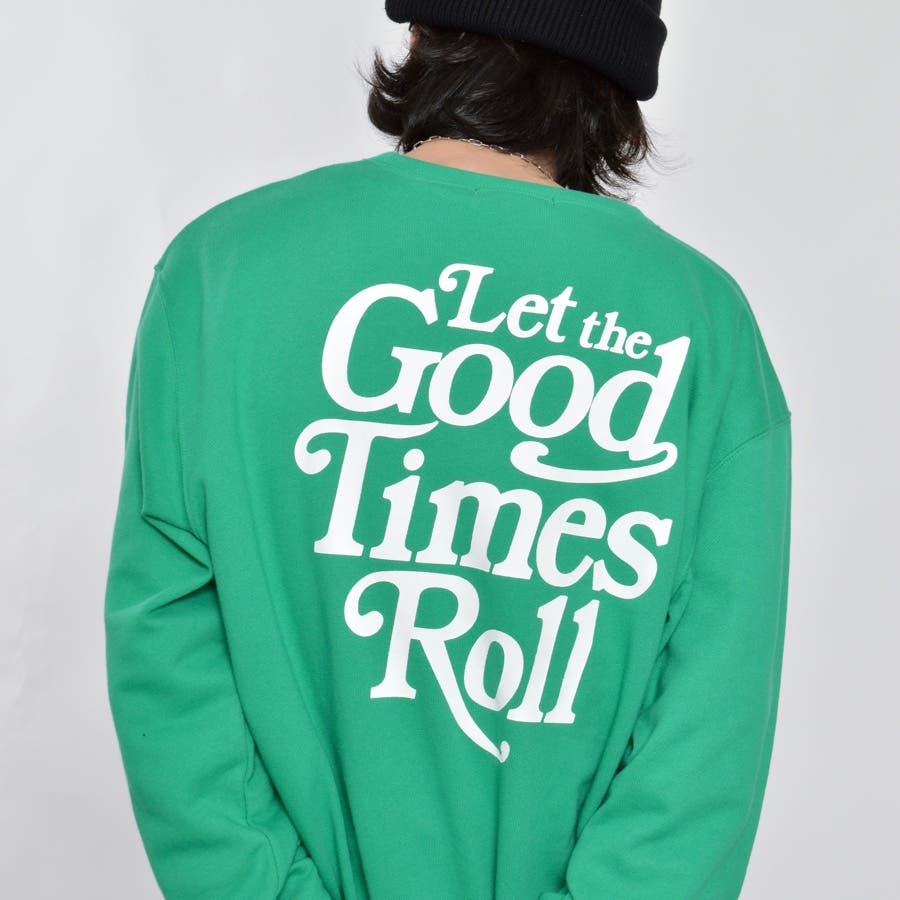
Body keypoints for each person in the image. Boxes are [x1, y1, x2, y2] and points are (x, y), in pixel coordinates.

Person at [103, 1, 792, 898]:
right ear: (619, 82)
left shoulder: (220, 270)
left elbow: (167, 656)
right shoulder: (703, 328)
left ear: (421, 33)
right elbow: (707, 737)